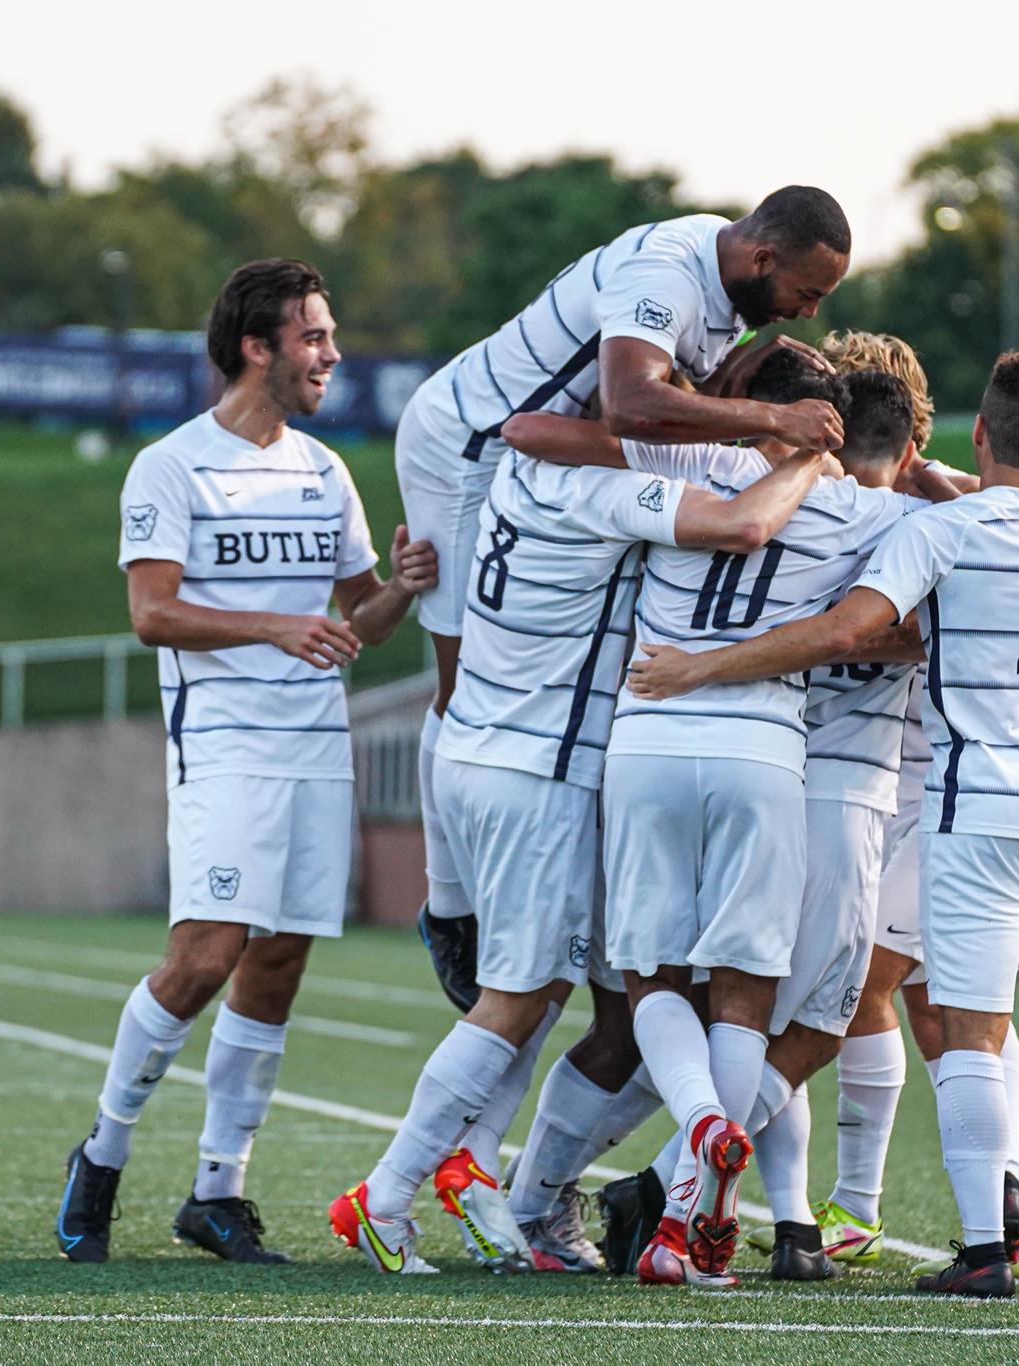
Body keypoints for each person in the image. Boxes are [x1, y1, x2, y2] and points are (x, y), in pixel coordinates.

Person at [627, 352, 1019, 1299]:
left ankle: (986, 1247)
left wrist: (701, 666)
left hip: (974, 799)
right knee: (961, 1013)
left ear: (979, 432)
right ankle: (998, 1217)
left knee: (952, 1021)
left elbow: (849, 629)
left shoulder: (938, 532)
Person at [327, 389, 837, 1279]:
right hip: (535, 770)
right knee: (520, 998)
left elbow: (530, 424)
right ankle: (385, 1193)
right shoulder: (596, 486)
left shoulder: (519, 460)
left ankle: (477, 1170)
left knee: (555, 990)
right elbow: (742, 525)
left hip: (481, 746)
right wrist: (801, 449)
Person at [504, 353, 948, 1287]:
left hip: (647, 740)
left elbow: (528, 429)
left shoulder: (686, 467)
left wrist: (738, 423)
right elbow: (969, 541)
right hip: (775, 763)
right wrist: (903, 469)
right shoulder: (884, 518)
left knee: (653, 979)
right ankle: (688, 1204)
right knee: (762, 1004)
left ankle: (700, 1129)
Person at [54, 259, 436, 1265]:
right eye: (313, 336)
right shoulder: (171, 465)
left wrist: (397, 588)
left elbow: (359, 618)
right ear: (257, 347)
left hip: (317, 746)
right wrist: (276, 625)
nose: (332, 353)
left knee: (278, 960)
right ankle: (101, 1152)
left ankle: (217, 1190)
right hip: (222, 744)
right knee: (203, 960)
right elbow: (151, 613)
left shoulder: (324, 469)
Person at [390, 187, 852, 1010]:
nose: (808, 315)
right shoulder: (669, 274)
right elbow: (633, 405)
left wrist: (746, 406)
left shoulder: (730, 285)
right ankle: (448, 903)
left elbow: (644, 411)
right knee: (463, 677)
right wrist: (769, 414)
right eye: (806, 294)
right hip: (471, 445)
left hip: (538, 440)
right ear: (761, 258)